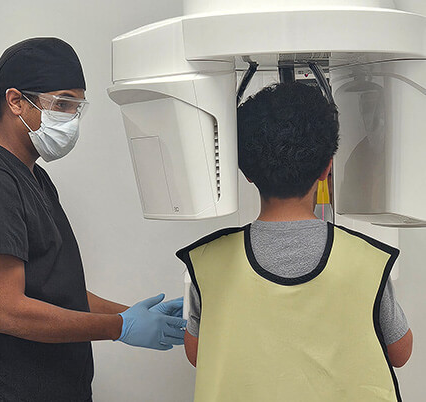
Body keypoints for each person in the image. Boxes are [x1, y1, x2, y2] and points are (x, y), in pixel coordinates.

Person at [0, 37, 186, 402]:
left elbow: (55, 291)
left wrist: (135, 314)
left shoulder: (30, 175)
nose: (70, 118)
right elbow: (8, 312)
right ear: (16, 100)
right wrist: (120, 327)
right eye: (62, 103)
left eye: (76, 106)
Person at [177, 82, 413, 402]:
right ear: (327, 169)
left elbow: (197, 355)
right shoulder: (366, 262)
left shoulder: (208, 263)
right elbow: (400, 351)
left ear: (246, 171)